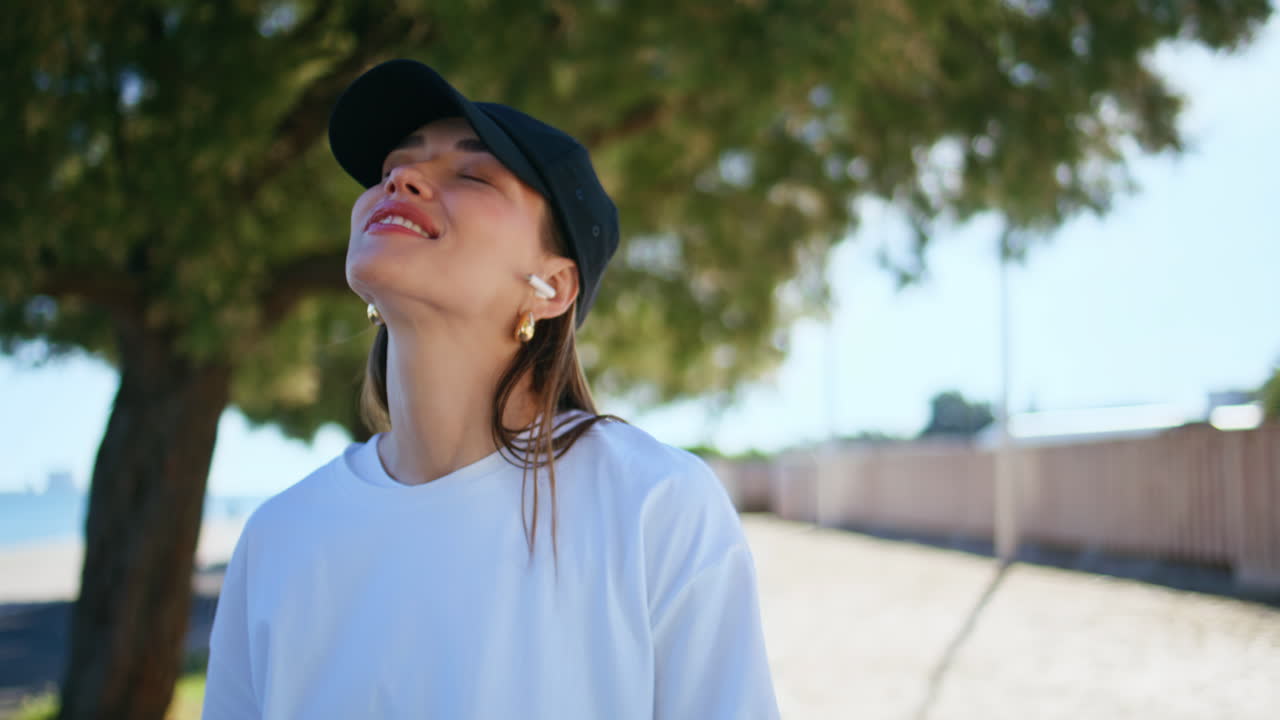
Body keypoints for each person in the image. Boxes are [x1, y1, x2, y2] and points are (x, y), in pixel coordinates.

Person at [202, 59, 780, 719]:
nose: (401, 178)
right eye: (392, 167)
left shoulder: (655, 505)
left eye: (472, 173)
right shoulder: (279, 537)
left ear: (552, 287)